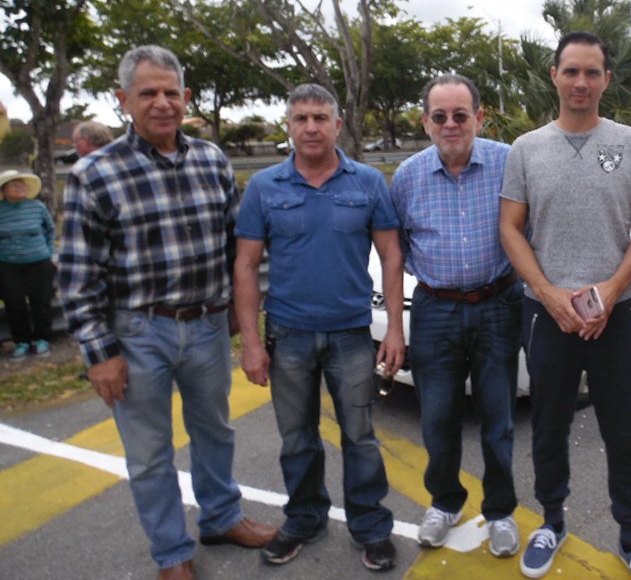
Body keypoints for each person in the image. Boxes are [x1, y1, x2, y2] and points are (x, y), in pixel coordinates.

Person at [58, 45, 276, 580]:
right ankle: (171, 553)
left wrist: (240, 314)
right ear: (123, 100)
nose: (161, 103)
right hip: (137, 333)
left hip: (207, 326)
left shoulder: (211, 160)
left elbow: (239, 246)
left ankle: (222, 517)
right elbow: (77, 277)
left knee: (216, 432)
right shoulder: (94, 174)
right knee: (150, 453)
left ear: (186, 97)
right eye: (148, 93)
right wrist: (100, 354)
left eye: (171, 92)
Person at [500, 31, 631, 580]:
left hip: (616, 314)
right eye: (571, 71)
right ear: (554, 75)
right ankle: (551, 521)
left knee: (625, 432)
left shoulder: (630, 143)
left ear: (606, 80)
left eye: (591, 72)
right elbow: (511, 228)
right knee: (548, 426)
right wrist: (549, 294)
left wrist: (613, 288)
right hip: (546, 314)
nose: (581, 82)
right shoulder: (526, 149)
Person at [234, 83, 404, 572]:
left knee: (360, 436)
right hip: (288, 335)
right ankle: (305, 518)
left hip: (352, 335)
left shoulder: (368, 183)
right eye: (301, 119)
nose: (311, 127)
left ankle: (370, 526)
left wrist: (394, 329)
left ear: (337, 124)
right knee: (297, 438)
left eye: (320, 118)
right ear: (288, 126)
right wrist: (250, 343)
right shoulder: (264, 187)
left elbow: (392, 255)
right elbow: (245, 266)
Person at [390, 74, 523, 558]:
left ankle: (501, 510)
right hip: (435, 310)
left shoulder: (509, 163)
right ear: (426, 122)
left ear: (479, 117)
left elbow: (529, 230)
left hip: (498, 305)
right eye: (440, 116)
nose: (451, 124)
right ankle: (444, 502)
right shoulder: (407, 177)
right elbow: (397, 250)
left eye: (460, 115)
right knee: (438, 418)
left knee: (498, 417)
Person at [0, 170, 56, 359]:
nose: (20, 187)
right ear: (4, 190)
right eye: (14, 185)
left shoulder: (37, 207)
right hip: (8, 265)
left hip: (39, 263)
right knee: (14, 303)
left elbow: (50, 230)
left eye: (22, 184)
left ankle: (42, 339)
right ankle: (22, 342)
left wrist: (51, 252)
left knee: (41, 302)